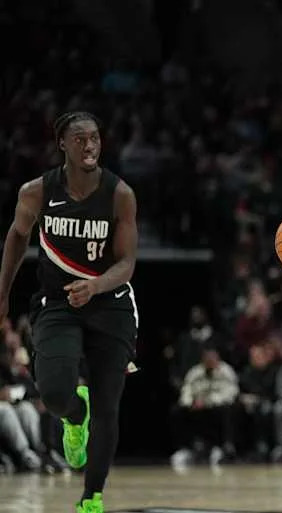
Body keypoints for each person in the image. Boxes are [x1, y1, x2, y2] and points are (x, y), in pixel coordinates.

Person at [0, 112, 139, 512]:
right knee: (55, 394)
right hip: (58, 303)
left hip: (111, 303)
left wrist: (95, 285)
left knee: (108, 404)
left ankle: (92, 497)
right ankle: (75, 416)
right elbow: (17, 236)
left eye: (94, 138)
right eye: (80, 139)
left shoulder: (120, 194)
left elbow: (127, 262)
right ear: (62, 143)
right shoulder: (36, 192)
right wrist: (3, 293)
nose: (90, 145)